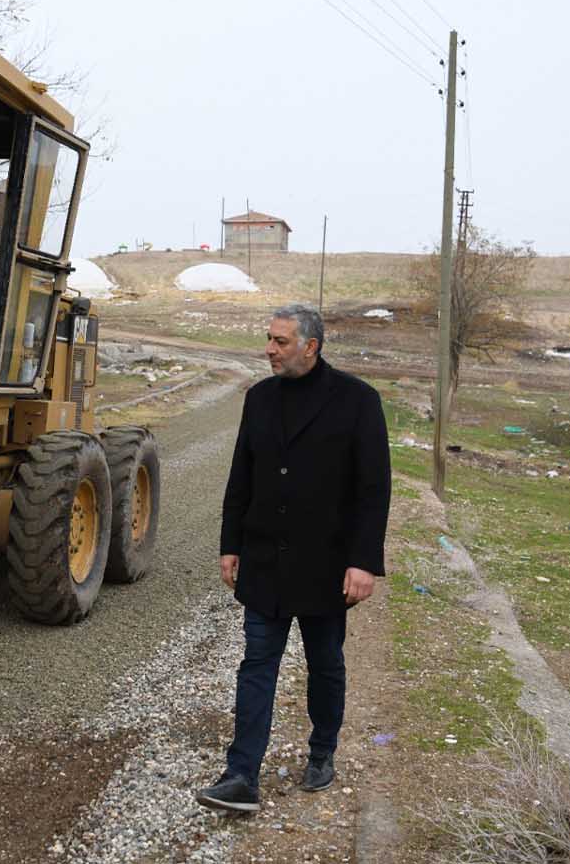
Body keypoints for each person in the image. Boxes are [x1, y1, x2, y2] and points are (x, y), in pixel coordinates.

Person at [195, 304, 391, 813]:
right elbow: (242, 474)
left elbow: (374, 491)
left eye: (280, 341)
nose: (269, 349)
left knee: (325, 663)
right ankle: (241, 775)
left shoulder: (357, 401)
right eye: (268, 339)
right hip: (264, 560)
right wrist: (230, 543)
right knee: (257, 663)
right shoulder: (259, 398)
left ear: (311, 346)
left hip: (328, 567)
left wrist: (364, 562)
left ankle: (322, 753)